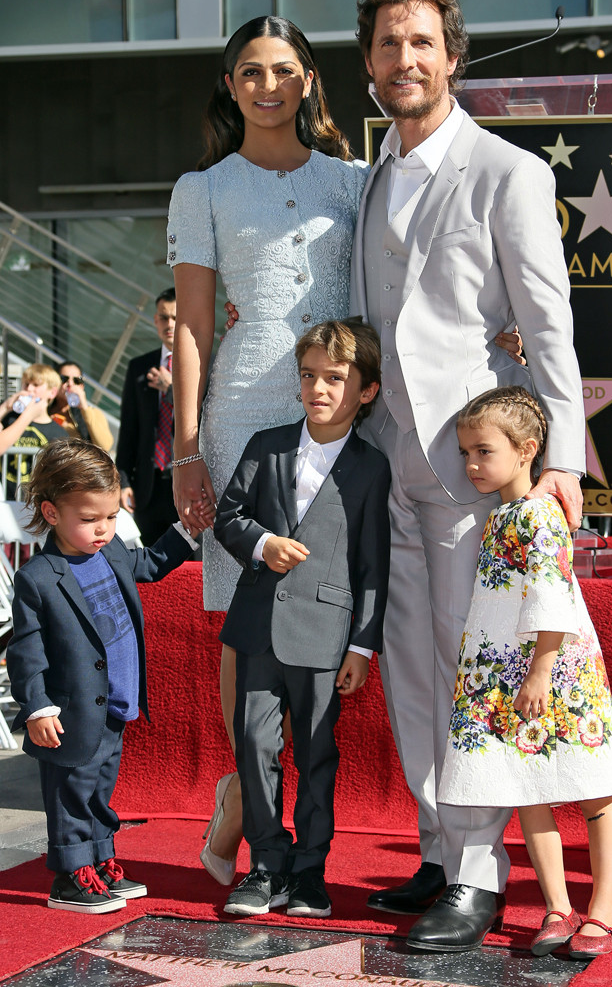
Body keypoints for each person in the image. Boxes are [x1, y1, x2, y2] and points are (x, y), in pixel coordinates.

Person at [167, 12, 523, 885]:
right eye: (249, 70)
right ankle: (256, 814)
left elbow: (417, 279)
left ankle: (287, 824)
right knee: (251, 626)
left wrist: (498, 325)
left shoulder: (358, 180)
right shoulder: (202, 190)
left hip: (350, 416)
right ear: (230, 84)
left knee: (329, 610)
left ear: (310, 82)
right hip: (245, 415)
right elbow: (195, 329)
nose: (267, 85)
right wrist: (184, 449)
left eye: (283, 69)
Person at [350, 0, 586, 952]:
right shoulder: (369, 174)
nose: (403, 59)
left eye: (420, 42)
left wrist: (561, 460)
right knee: (410, 667)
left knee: (472, 665)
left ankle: (480, 878)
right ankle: (443, 848)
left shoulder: (506, 171)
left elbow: (546, 322)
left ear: (451, 55)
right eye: (386, 44)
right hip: (383, 464)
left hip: (475, 467)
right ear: (366, 64)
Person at [438, 387, 612, 960]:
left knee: (593, 790)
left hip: (552, 673)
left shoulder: (540, 515)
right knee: (527, 791)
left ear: (526, 450)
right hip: (505, 677)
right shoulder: (502, 515)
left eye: (482, 451)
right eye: (465, 452)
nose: (471, 464)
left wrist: (540, 670)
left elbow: (553, 597)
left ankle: (604, 910)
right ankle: (555, 906)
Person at [213, 319, 390, 918]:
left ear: (365, 391)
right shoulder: (267, 445)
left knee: (316, 753)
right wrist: (263, 544)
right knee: (254, 744)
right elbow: (229, 516)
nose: (319, 388)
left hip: (327, 638)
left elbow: (372, 565)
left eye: (335, 378)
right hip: (258, 627)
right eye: (310, 375)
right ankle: (266, 865)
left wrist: (362, 648)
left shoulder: (371, 467)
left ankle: (311, 872)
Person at [6, 439, 196, 913]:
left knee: (99, 789)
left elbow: (150, 563)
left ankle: (100, 859)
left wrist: (188, 530)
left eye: (110, 517)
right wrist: (37, 706)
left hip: (115, 703)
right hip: (68, 712)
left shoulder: (111, 554)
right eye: (90, 519)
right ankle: (70, 877)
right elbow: (25, 650)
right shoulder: (39, 577)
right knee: (70, 792)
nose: (104, 529)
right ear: (50, 513)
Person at [116, 288, 179, 544]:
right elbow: (129, 427)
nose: (169, 324)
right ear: (155, 320)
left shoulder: (205, 364)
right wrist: (122, 480)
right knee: (149, 568)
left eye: (176, 317)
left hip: (186, 486)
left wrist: (172, 389)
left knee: (191, 570)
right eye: (164, 317)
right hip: (147, 488)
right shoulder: (139, 367)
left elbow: (205, 415)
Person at [0, 364, 68, 498]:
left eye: (36, 385)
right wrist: (6, 407)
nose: (29, 389)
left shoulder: (59, 433)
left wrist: (29, 415)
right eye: (26, 384)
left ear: (52, 392)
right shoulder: (10, 418)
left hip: (36, 502)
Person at [48, 361, 114, 452]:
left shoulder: (93, 413)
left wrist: (85, 408)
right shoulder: (45, 411)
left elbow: (105, 446)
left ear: (82, 386)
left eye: (76, 380)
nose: (70, 384)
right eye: (64, 379)